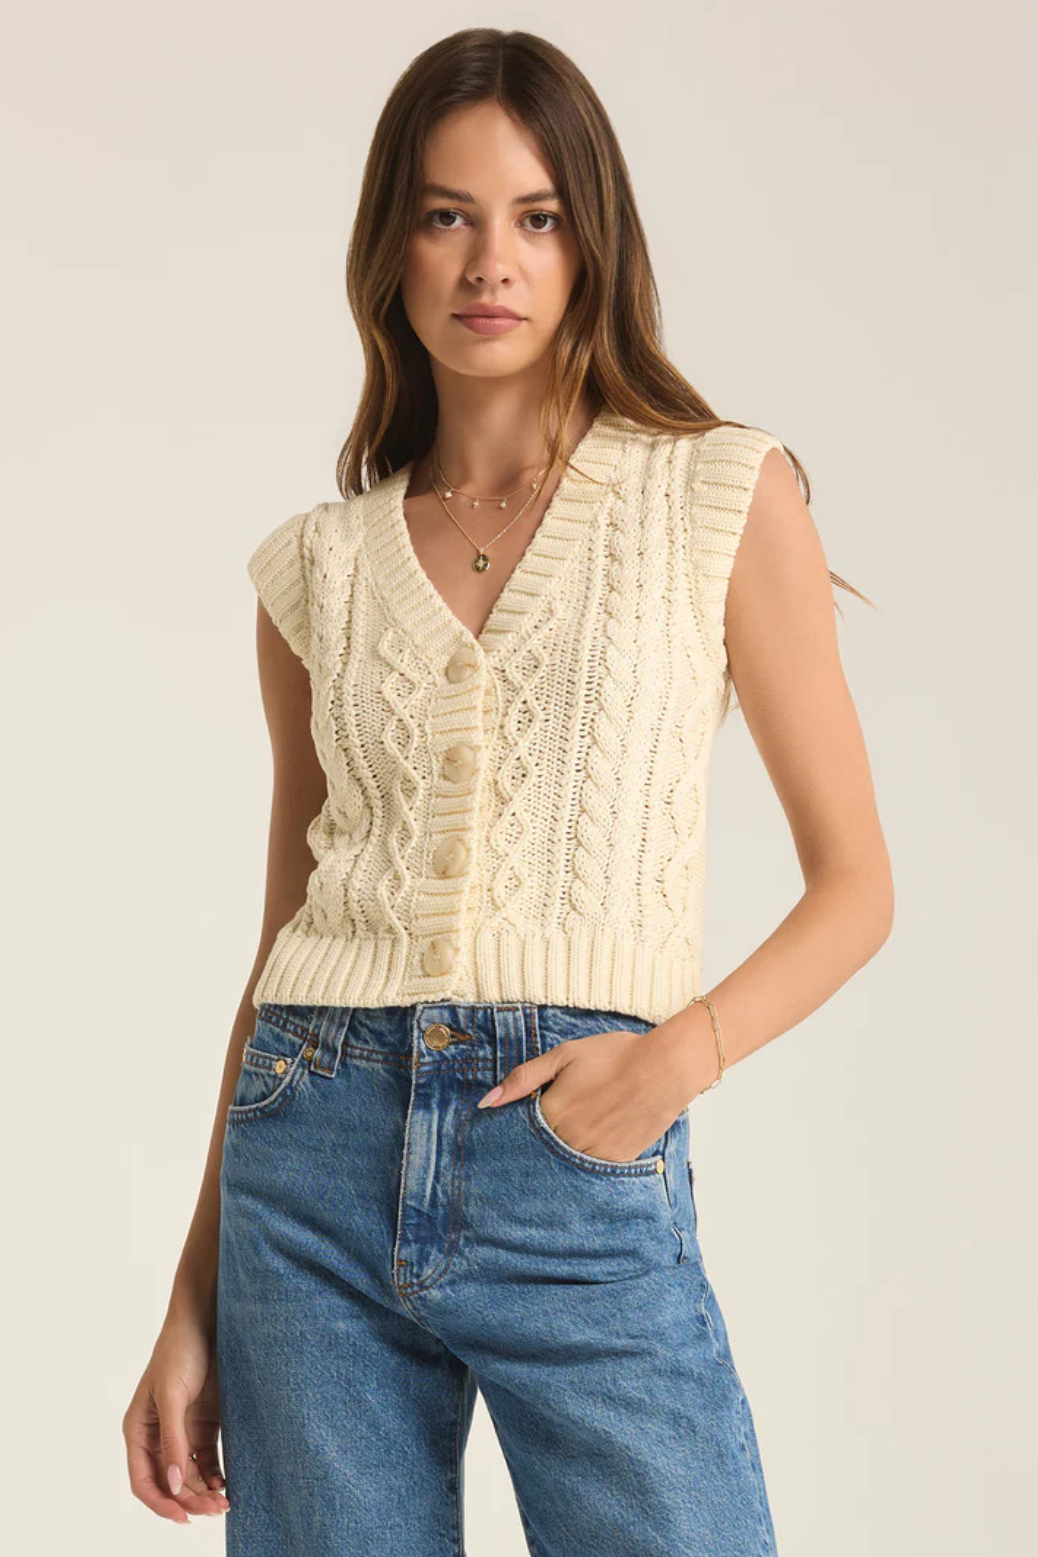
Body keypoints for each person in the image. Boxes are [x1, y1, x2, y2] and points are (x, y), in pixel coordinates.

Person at [122, 26, 893, 1556]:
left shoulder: (716, 493)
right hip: (308, 1160)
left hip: (576, 1150)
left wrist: (669, 1067)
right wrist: (189, 1297)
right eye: (446, 215)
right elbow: (283, 932)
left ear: (588, 241)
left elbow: (856, 887)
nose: (492, 262)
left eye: (536, 217)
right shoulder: (316, 571)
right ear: (390, 248)